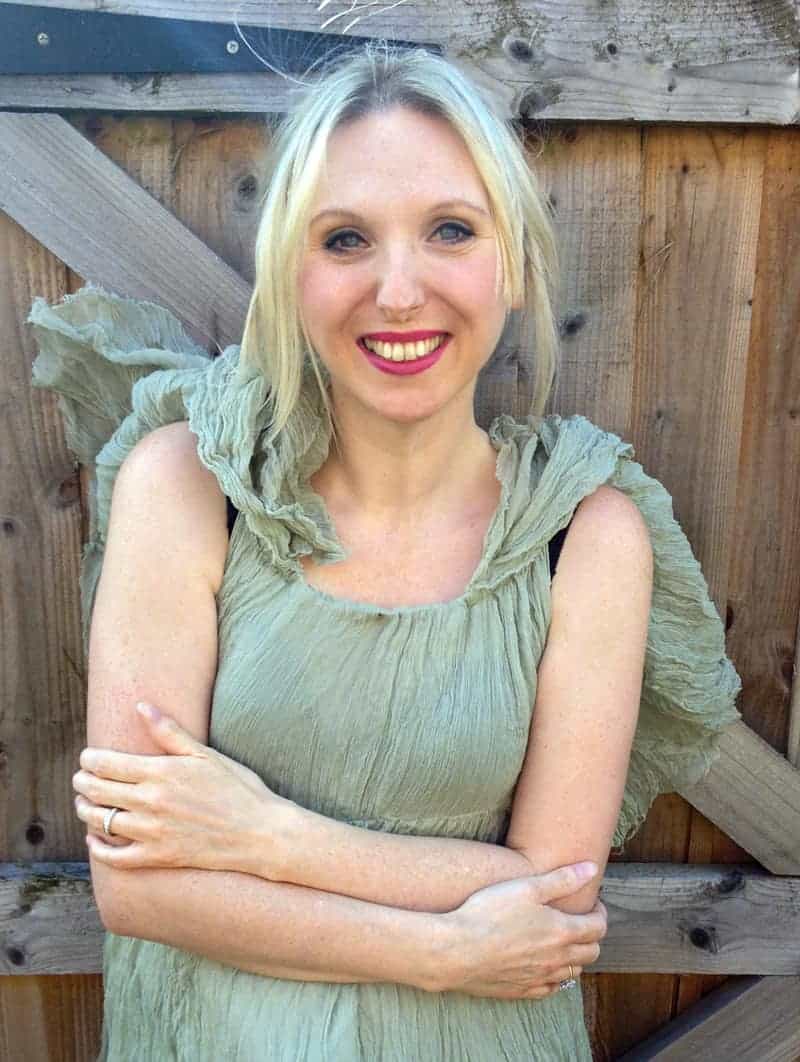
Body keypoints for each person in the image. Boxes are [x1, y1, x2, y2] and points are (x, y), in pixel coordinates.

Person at [28, 40, 742, 1062]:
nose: (399, 292)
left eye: (449, 230)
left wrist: (267, 836)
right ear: (290, 273)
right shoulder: (187, 489)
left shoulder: (583, 537)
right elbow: (141, 888)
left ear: (513, 262)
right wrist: (443, 949)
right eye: (346, 239)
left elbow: (553, 896)